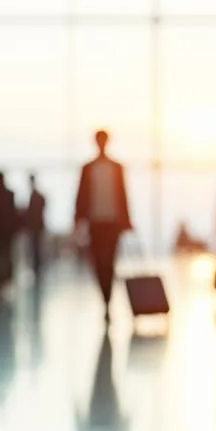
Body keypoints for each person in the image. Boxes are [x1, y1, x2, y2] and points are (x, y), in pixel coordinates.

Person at [75, 130, 133, 322]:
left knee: (109, 261)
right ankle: (105, 297)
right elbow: (81, 196)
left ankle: (107, 299)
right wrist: (79, 220)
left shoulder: (116, 168)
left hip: (112, 222)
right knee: (99, 261)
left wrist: (127, 220)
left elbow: (123, 195)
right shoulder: (88, 168)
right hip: (96, 221)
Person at [25, 174, 47, 279]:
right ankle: (38, 268)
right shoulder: (38, 196)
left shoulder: (34, 196)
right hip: (37, 227)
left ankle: (37, 268)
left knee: (35, 248)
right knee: (36, 248)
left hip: (35, 227)